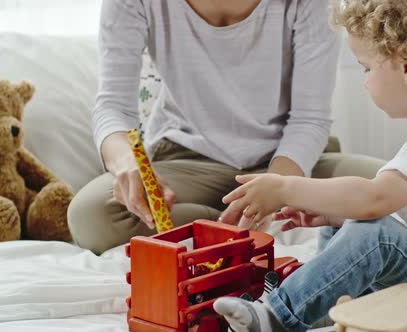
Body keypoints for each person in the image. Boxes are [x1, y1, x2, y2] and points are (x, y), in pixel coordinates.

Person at [214, 0, 407, 331]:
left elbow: (376, 200)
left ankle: (276, 316)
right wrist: (336, 215)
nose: (365, 81)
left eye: (366, 68)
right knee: (353, 219)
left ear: (406, 67)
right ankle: (315, 305)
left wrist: (286, 187)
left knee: (377, 233)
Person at [67, 0, 386, 254]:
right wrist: (127, 164)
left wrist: (280, 187)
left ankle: (219, 227)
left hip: (286, 162)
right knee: (92, 215)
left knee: (399, 191)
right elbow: (112, 107)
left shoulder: (312, 4)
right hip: (186, 161)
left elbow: (309, 119)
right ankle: (231, 226)